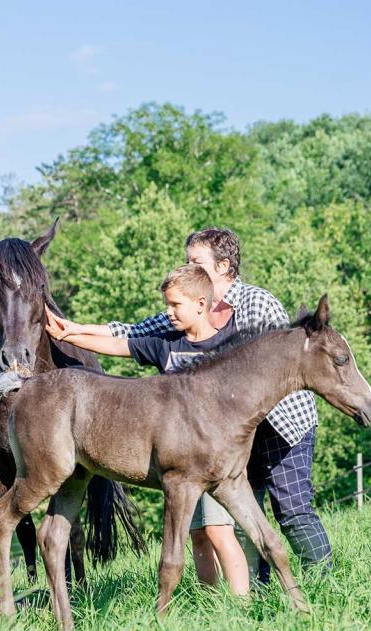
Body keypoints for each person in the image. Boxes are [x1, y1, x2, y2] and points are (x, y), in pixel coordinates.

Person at [52, 227, 332, 582]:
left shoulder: (256, 304)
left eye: (196, 261)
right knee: (246, 517)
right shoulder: (188, 305)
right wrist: (70, 329)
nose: (189, 266)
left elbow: (283, 367)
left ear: (224, 266)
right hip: (231, 431)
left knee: (292, 509)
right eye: (187, 261)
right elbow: (132, 333)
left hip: (282, 422)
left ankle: (324, 582)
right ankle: (259, 595)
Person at [46, 263, 250, 596]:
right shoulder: (166, 346)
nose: (168, 313)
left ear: (201, 304)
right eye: (167, 305)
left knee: (218, 530)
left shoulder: (228, 346)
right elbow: (120, 343)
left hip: (215, 457)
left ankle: (242, 602)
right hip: (181, 462)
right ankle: (211, 601)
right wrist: (69, 334)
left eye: (175, 305)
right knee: (197, 533)